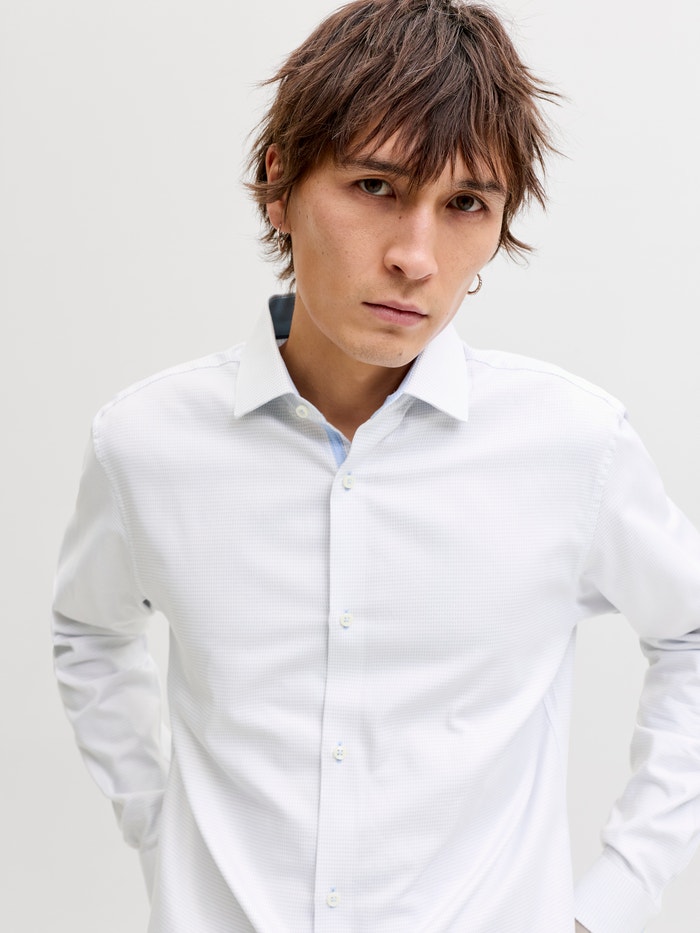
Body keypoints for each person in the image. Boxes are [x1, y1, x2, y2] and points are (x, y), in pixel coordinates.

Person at [51, 1, 700, 931]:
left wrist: (615, 898)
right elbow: (88, 631)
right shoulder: (146, 444)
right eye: (375, 186)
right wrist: (163, 830)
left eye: (466, 204)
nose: (415, 258)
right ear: (280, 184)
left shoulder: (574, 445)